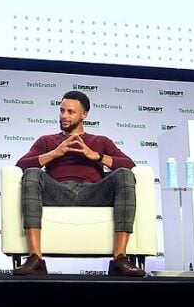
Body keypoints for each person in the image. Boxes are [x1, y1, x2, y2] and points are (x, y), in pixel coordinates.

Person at [12, 90, 145, 277]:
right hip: (58, 191)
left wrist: (96, 156)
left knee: (124, 174)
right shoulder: (47, 140)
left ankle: (120, 259)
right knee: (32, 173)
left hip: (92, 192)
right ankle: (35, 258)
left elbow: (130, 165)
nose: (64, 116)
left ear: (84, 115)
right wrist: (55, 153)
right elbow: (21, 165)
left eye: (71, 112)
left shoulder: (100, 141)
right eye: (62, 111)